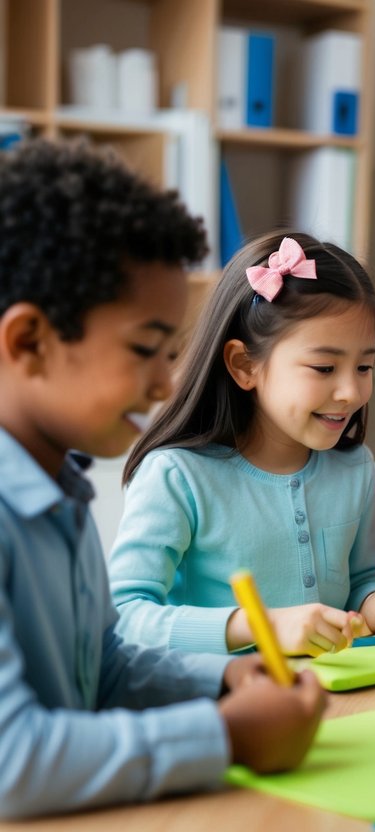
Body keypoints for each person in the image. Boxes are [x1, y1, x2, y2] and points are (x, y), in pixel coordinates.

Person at [0, 139, 324, 818]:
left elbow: (103, 668)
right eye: (146, 348)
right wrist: (226, 735)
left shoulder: (62, 489)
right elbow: (12, 761)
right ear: (29, 342)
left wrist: (223, 679)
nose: (164, 382)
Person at [109, 231, 375, 657]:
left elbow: (362, 580)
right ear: (244, 365)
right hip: (222, 702)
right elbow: (125, 615)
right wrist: (261, 625)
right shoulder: (177, 476)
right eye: (324, 367)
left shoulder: (354, 469)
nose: (350, 391)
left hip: (333, 695)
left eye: (364, 366)